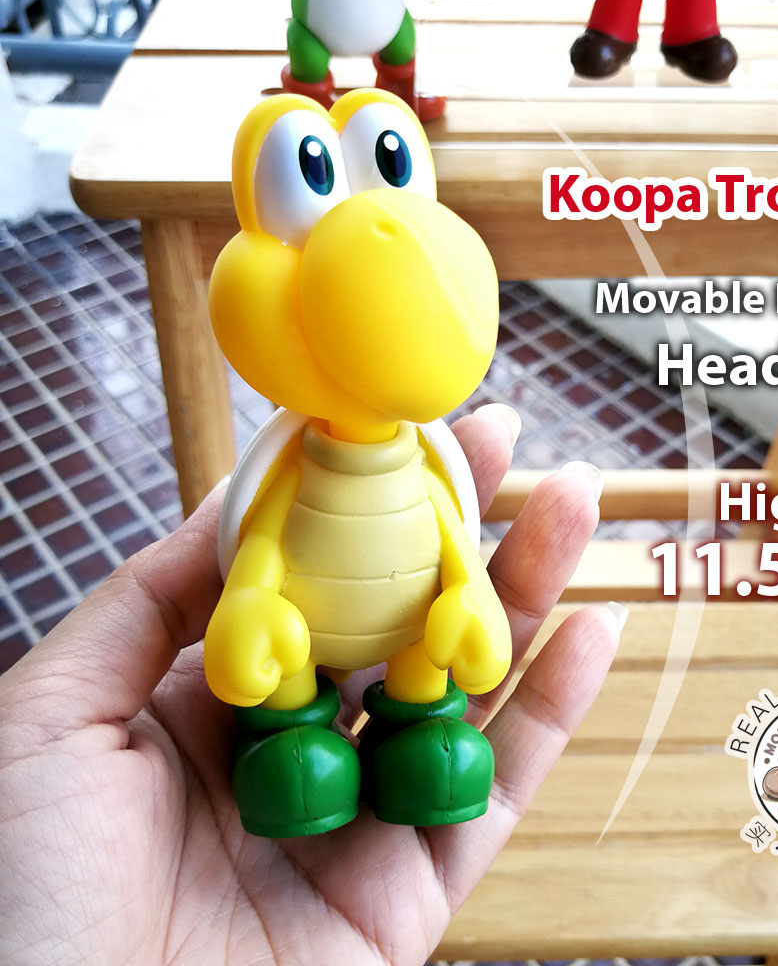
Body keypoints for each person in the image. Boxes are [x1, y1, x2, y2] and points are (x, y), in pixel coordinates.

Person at [0, 405, 624, 965]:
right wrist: (248, 600)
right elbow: (258, 548)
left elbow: (457, 547)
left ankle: (420, 728)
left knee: (425, 659)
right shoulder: (289, 470)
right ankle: (286, 740)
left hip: (414, 633)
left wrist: (473, 598)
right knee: (286, 691)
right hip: (295, 634)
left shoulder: (427, 471)